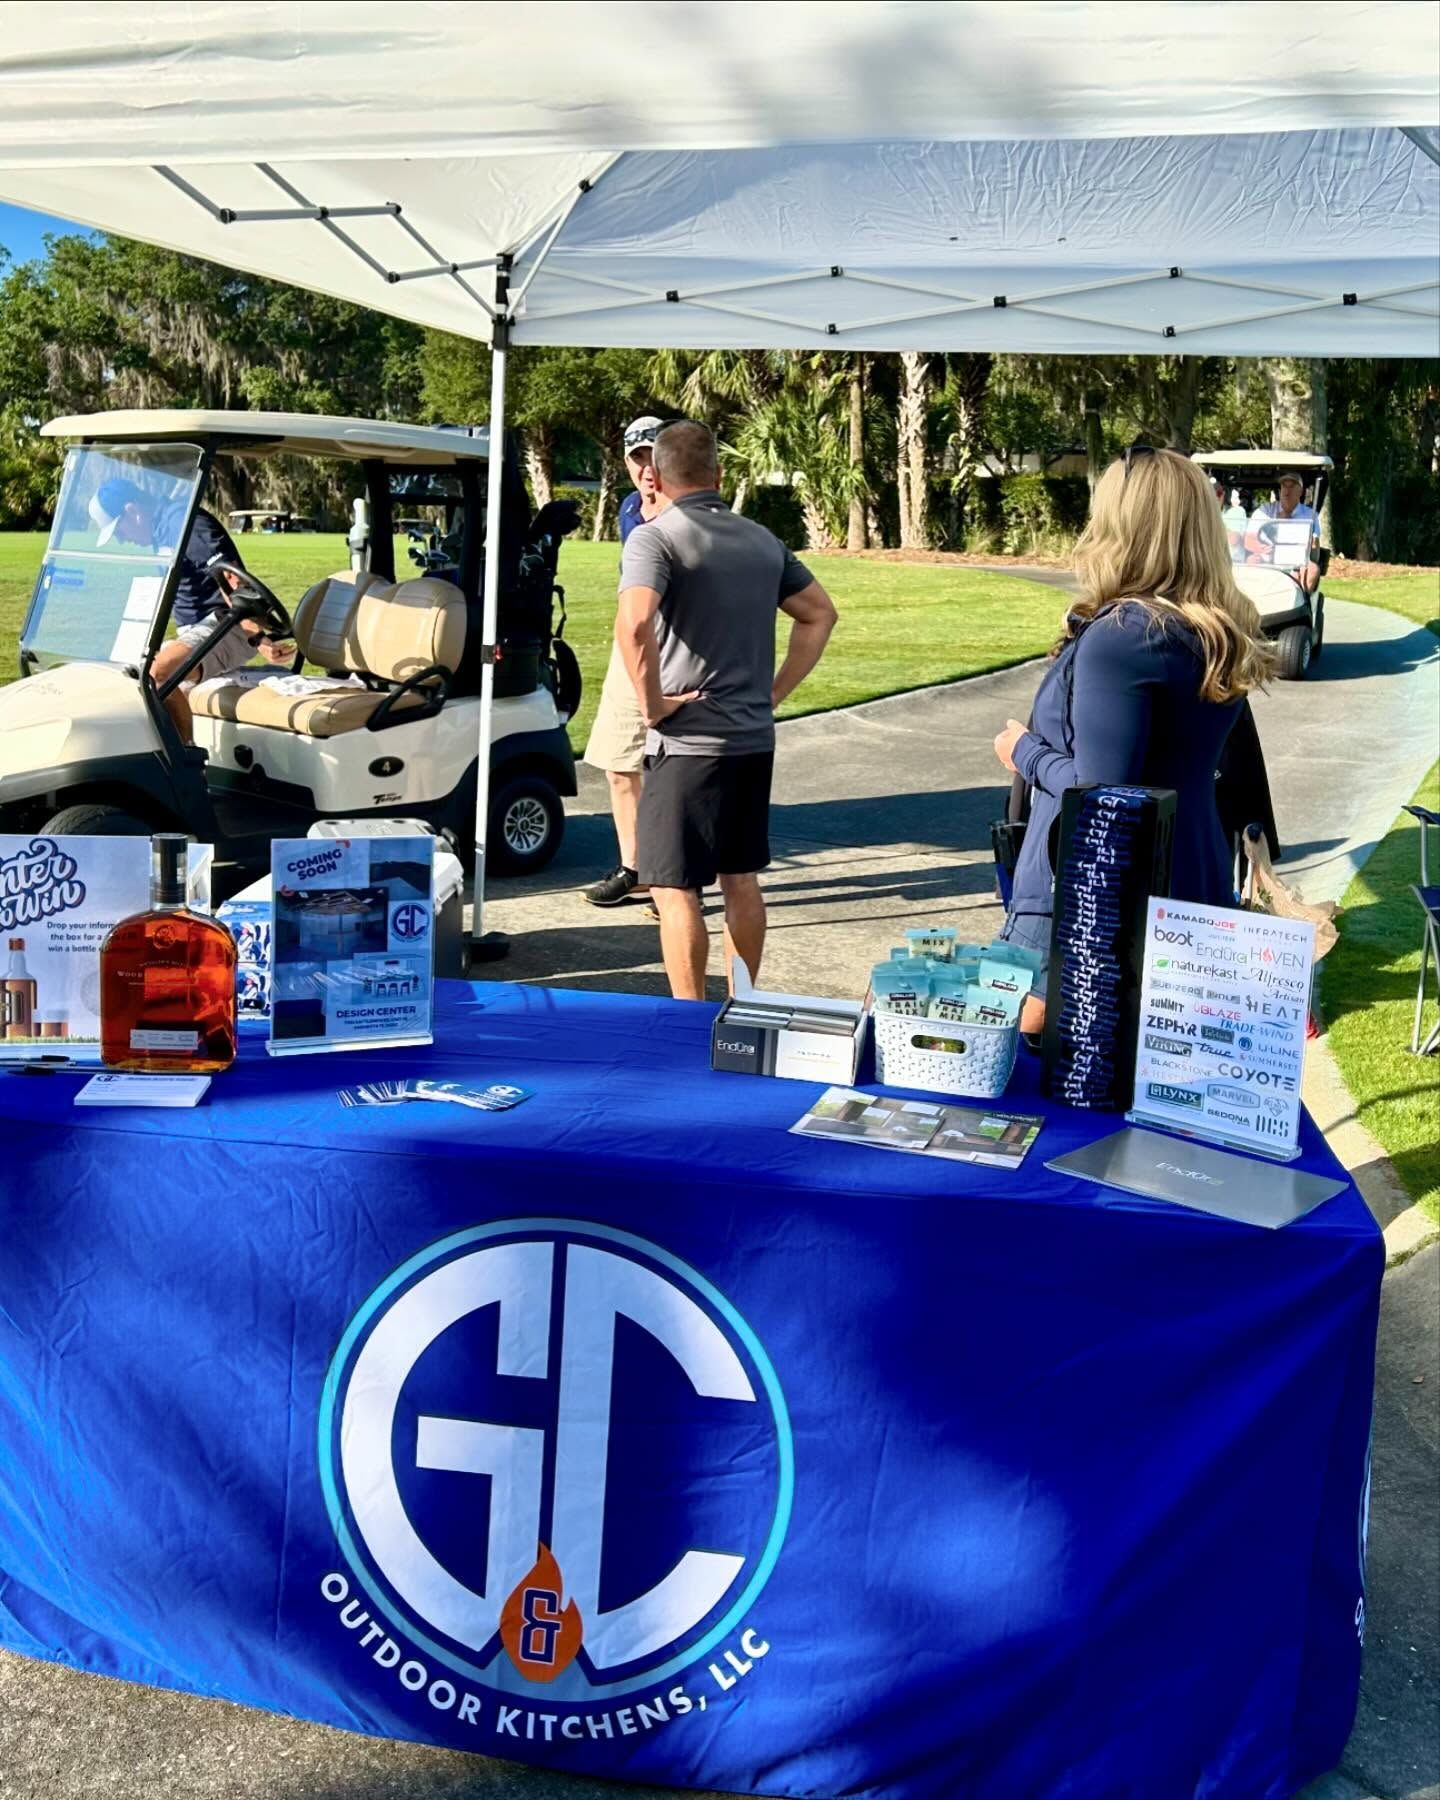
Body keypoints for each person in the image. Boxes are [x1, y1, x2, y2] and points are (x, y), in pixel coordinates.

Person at [992, 446, 1273, 1031]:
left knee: (1030, 1065)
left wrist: (1024, 752)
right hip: (1191, 875)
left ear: (1121, 525)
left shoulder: (1125, 635)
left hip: (1096, 903)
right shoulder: (1215, 631)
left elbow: (1100, 794)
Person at [616, 421, 837, 1000]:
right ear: (718, 474)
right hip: (750, 741)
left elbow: (634, 624)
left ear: (657, 476)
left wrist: (653, 705)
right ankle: (743, 1005)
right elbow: (820, 614)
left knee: (672, 888)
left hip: (686, 744)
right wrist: (774, 693)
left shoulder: (655, 538)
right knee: (740, 879)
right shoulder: (763, 540)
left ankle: (688, 1019)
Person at [88, 478, 291, 742]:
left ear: (132, 511)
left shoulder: (185, 524)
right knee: (128, 672)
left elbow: (233, 581)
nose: (122, 539)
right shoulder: (161, 528)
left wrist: (258, 638)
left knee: (158, 674)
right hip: (199, 630)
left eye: (119, 531)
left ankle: (187, 758)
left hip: (227, 625)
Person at [580, 415, 666, 907]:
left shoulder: (685, 512)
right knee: (619, 763)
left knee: (671, 772)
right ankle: (636, 869)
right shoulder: (630, 508)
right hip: (628, 643)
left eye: (655, 456)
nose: (647, 468)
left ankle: (675, 879)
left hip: (676, 648)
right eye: (638, 457)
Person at [1246, 469, 1321, 589]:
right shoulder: (1266, 510)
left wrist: (1310, 543)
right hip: (1268, 560)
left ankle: (1301, 598)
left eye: (1291, 487)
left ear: (1300, 491)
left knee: (1313, 569)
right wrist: (1261, 548)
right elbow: (1248, 540)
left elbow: (1314, 544)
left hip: (1296, 563)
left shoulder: (1310, 515)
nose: (1287, 491)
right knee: (1250, 560)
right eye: (1284, 486)